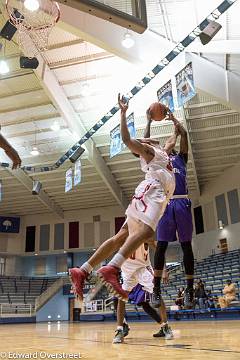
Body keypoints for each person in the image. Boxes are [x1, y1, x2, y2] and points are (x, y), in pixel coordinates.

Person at [69, 95, 178, 301]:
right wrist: (123, 113)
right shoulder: (150, 153)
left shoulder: (163, 153)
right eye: (145, 140)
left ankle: (82, 270)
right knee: (146, 231)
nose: (150, 138)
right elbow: (128, 140)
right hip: (152, 190)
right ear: (145, 146)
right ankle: (112, 267)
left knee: (121, 236)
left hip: (155, 192)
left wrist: (170, 121)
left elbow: (172, 139)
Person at [144, 115, 194, 308]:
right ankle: (156, 289)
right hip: (165, 203)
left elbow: (184, 135)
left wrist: (174, 121)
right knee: (162, 245)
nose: (168, 143)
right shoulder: (158, 160)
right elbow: (145, 142)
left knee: (186, 245)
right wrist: (148, 121)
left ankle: (189, 289)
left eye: (169, 141)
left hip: (182, 202)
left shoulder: (181, 157)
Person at [113, 240, 173, 344]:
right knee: (120, 298)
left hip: (142, 269)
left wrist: (163, 269)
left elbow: (160, 249)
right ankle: (120, 329)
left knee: (156, 295)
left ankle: (165, 326)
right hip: (127, 270)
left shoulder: (145, 234)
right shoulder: (123, 235)